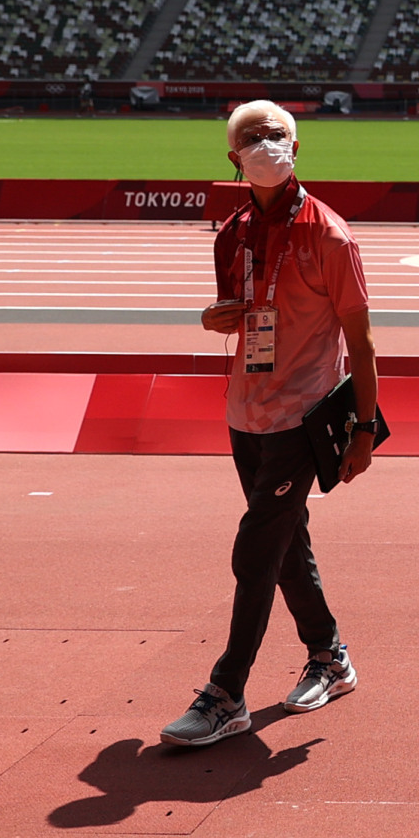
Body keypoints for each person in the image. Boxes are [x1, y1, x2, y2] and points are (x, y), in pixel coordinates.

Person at [162, 100, 376, 750]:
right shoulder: (232, 233)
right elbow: (236, 309)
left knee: (255, 551)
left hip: (301, 416)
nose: (264, 145)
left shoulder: (331, 236)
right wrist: (214, 318)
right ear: (233, 158)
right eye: (250, 138)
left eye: (275, 135)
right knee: (286, 548)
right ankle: (330, 658)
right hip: (244, 411)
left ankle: (226, 694)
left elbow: (363, 342)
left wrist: (364, 429)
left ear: (297, 146)